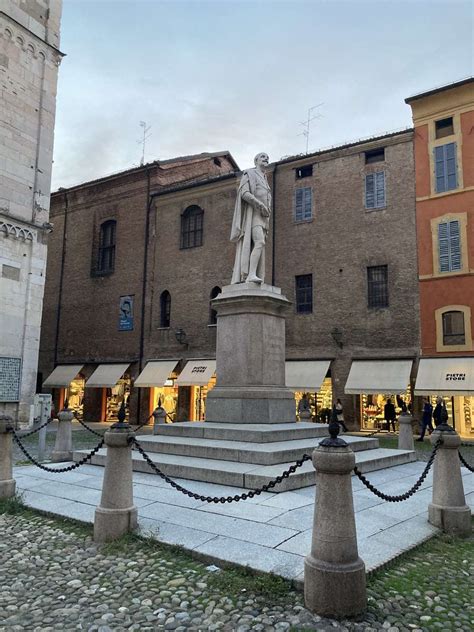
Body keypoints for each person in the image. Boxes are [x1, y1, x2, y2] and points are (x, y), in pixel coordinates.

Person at [230, 152, 271, 284]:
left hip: (263, 217)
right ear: (256, 161)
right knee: (260, 242)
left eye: (267, 158)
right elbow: (244, 193)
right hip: (253, 215)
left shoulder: (265, 179)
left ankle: (254, 274)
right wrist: (259, 204)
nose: (266, 159)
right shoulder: (249, 173)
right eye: (263, 157)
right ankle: (250, 274)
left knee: (259, 244)